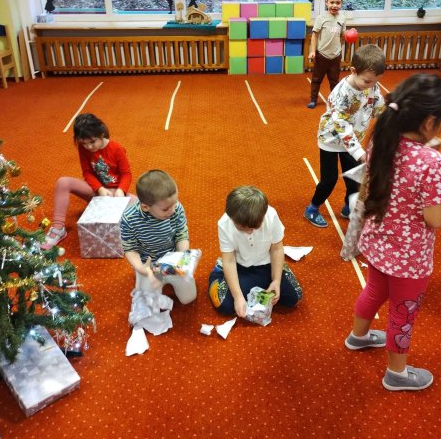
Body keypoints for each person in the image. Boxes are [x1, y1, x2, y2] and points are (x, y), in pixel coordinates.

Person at [345, 73, 441, 391]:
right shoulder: (432, 163)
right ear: (429, 122)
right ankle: (397, 374)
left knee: (373, 291)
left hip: (377, 243)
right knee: (402, 313)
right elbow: (436, 218)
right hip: (409, 259)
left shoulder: (382, 141)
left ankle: (358, 336)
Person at [304, 44, 386, 228]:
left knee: (353, 178)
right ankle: (312, 208)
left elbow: (378, 105)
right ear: (353, 71)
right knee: (329, 179)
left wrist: (390, 113)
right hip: (331, 141)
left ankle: (348, 208)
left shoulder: (371, 84)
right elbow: (341, 125)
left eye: (375, 82)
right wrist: (358, 151)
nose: (372, 86)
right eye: (368, 81)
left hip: (352, 141)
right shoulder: (342, 93)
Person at [208, 186, 303, 317]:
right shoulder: (224, 223)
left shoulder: (271, 215)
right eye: (242, 227)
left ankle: (278, 272)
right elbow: (229, 260)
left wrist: (276, 280)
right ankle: (219, 270)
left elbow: (277, 249)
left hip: (266, 265)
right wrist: (238, 297)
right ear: (232, 218)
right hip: (240, 267)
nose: (249, 232)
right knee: (224, 305)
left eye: (254, 227)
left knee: (295, 296)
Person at [41, 113, 132, 250]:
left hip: (115, 195)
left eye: (92, 142)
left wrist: (121, 190)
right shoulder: (83, 148)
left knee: (143, 206)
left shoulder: (117, 148)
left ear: (101, 135)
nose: (89, 147)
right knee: (63, 182)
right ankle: (58, 229)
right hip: (96, 191)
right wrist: (100, 189)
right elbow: (87, 172)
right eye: (84, 143)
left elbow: (126, 174)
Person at [120, 169, 196, 304]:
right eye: (166, 209)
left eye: (174, 204)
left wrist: (182, 257)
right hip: (148, 264)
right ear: (145, 207)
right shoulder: (129, 219)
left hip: (173, 261)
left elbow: (181, 235)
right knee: (149, 304)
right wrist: (142, 269)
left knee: (188, 298)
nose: (172, 211)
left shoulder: (176, 208)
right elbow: (130, 248)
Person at [307, 0, 346, 109]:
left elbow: (343, 35)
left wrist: (350, 34)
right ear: (326, 2)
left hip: (335, 56)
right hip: (322, 55)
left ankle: (335, 101)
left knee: (334, 82)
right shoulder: (321, 18)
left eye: (338, 3)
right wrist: (312, 51)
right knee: (316, 79)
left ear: (341, 3)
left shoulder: (342, 18)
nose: (334, 5)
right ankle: (313, 99)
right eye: (332, 2)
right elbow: (315, 35)